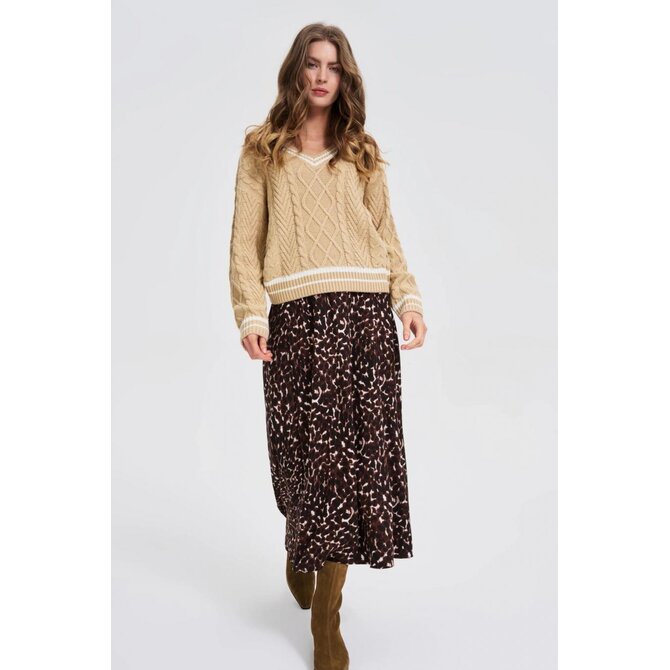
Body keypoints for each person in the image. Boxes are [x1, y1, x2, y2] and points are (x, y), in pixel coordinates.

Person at [228, 22, 427, 670]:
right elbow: (245, 244)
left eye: (333, 67)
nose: (321, 76)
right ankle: (301, 545)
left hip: (364, 320)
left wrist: (407, 299)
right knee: (301, 465)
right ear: (296, 70)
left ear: (345, 78)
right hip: (297, 323)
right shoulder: (262, 150)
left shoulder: (361, 152)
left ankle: (326, 618)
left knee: (350, 471)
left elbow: (386, 235)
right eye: (312, 64)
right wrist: (250, 314)